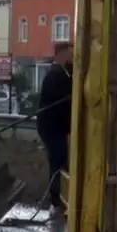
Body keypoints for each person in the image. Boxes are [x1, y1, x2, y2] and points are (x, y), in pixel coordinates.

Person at [36, 42, 74, 216]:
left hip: (55, 128)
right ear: (62, 54)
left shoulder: (62, 72)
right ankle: (56, 201)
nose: (72, 57)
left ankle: (59, 199)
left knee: (60, 161)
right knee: (57, 162)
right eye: (70, 54)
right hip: (52, 128)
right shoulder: (55, 75)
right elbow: (66, 98)